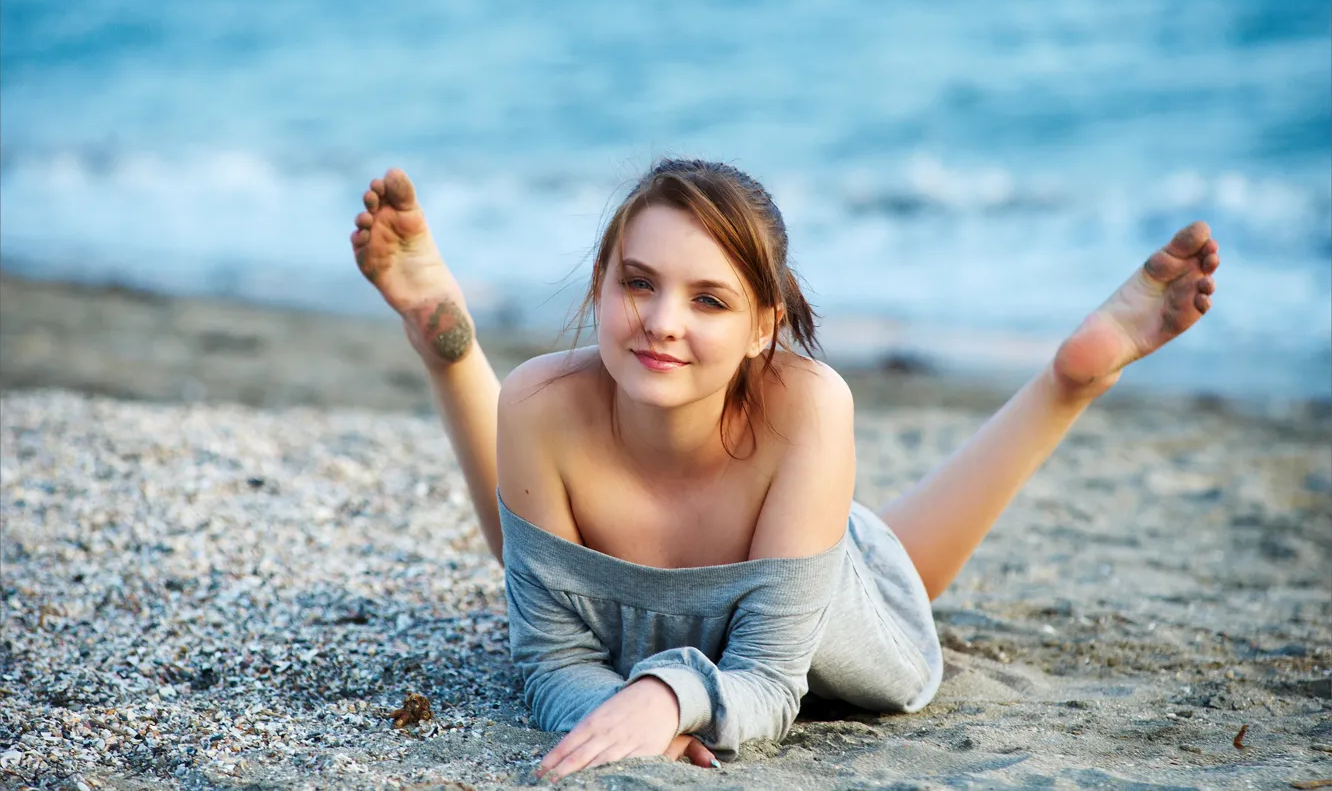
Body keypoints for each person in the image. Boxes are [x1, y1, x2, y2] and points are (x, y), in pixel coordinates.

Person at [349, 161, 1220, 780]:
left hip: (820, 601)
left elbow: (770, 682)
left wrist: (665, 695)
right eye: (637, 282)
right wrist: (616, 720)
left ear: (765, 324)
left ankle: (1068, 382)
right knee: (545, 564)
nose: (659, 320)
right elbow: (547, 656)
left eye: (709, 299)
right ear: (601, 284)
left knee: (894, 575)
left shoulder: (810, 404)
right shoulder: (538, 400)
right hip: (639, 596)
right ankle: (447, 345)